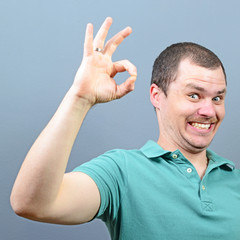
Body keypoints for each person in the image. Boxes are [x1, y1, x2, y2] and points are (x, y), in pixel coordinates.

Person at [10, 17, 240, 240]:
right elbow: (32, 204)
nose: (209, 111)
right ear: (157, 96)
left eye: (218, 99)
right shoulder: (121, 172)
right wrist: (79, 98)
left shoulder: (235, 180)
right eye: (194, 95)